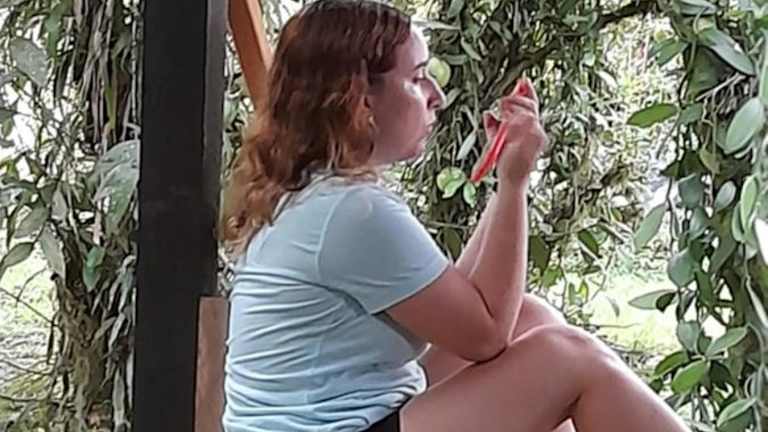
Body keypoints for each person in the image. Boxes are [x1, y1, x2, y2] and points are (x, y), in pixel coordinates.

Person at [219, 1, 692, 431]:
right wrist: (514, 183)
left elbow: (465, 306)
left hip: (341, 417)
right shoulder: (351, 211)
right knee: (571, 360)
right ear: (359, 99)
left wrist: (504, 181)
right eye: (417, 78)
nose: (437, 95)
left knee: (532, 317)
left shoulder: (317, 192)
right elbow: (485, 336)